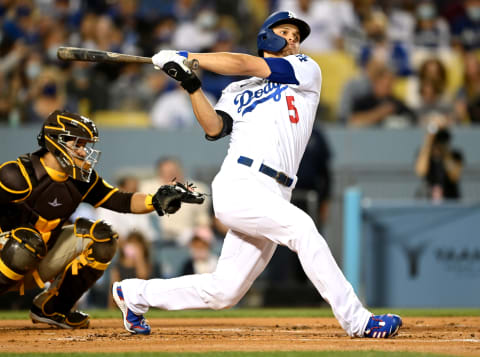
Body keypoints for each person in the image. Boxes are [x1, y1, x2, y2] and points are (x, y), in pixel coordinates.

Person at [112, 11, 402, 338]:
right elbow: (213, 126)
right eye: (286, 31)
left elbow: (246, 63)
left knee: (224, 291)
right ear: (267, 35)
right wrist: (190, 84)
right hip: (240, 183)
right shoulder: (237, 90)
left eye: (297, 34)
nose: (293, 38)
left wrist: (187, 56)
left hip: (276, 190)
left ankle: (134, 294)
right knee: (302, 228)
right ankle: (358, 321)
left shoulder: (305, 68)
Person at [0, 110, 204, 329]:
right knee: (26, 241)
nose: (83, 151)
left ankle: (53, 309)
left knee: (102, 237)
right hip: (7, 254)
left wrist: (156, 200)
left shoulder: (80, 180)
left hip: (39, 256)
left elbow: (120, 201)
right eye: (77, 144)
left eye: (84, 145)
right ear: (56, 141)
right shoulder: (16, 175)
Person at [414, 120, 464, 201]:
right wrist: (429, 140)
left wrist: (445, 151)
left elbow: (454, 176)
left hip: (450, 198)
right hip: (427, 199)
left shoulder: (455, 155)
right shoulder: (424, 154)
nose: (438, 142)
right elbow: (421, 171)